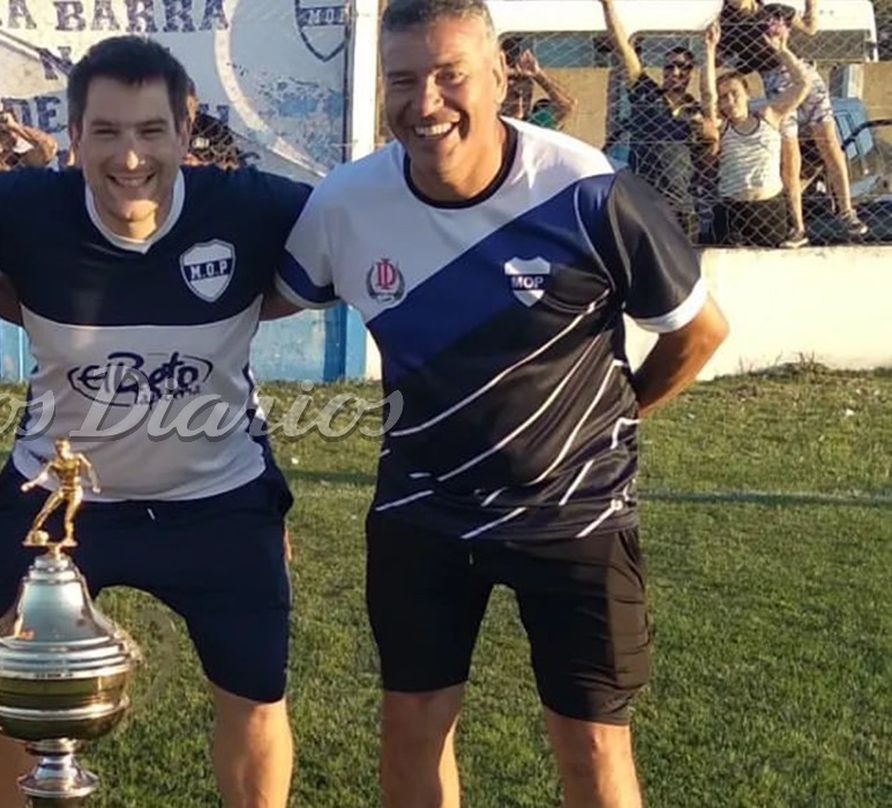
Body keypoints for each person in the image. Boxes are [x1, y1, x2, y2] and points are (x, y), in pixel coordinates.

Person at [275, 2, 729, 807]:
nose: (426, 103)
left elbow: (698, 331)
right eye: (404, 80)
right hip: (423, 511)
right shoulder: (346, 205)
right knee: (412, 733)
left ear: (500, 77)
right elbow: (267, 297)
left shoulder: (585, 190)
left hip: (575, 516)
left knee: (592, 747)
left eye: (451, 75)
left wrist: (616, 420)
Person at [0, 35, 310, 808]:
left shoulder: (250, 207)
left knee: (256, 695)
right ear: (72, 136)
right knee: (0, 701)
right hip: (60, 502)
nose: (131, 157)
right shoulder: (18, 210)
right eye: (106, 132)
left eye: (150, 131)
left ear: (187, 129)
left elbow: (361, 236)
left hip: (220, 497)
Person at [601, 0, 718, 242]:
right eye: (670, 66)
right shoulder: (645, 92)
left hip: (680, 207)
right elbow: (623, 46)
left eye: (684, 67)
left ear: (691, 72)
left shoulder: (695, 111)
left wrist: (709, 50)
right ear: (663, 69)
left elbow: (710, 103)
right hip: (642, 202)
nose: (676, 72)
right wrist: (608, 6)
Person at [756, 3, 867, 241]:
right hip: (775, 81)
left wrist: (811, 5)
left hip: (802, 70)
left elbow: (810, 28)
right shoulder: (734, 21)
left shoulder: (775, 10)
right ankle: (797, 225)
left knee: (828, 139)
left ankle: (847, 211)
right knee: (790, 152)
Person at [703, 20, 810, 246]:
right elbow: (707, 96)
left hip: (768, 208)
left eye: (734, 93)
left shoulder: (768, 115)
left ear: (747, 94)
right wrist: (710, 50)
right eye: (724, 97)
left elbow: (802, 84)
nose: (729, 101)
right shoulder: (722, 127)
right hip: (733, 209)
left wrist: (782, 50)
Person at [499, 40, 576, 131]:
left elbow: (567, 106)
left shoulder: (535, 124)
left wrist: (538, 74)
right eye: (512, 79)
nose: (520, 91)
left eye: (524, 79)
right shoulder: (490, 121)